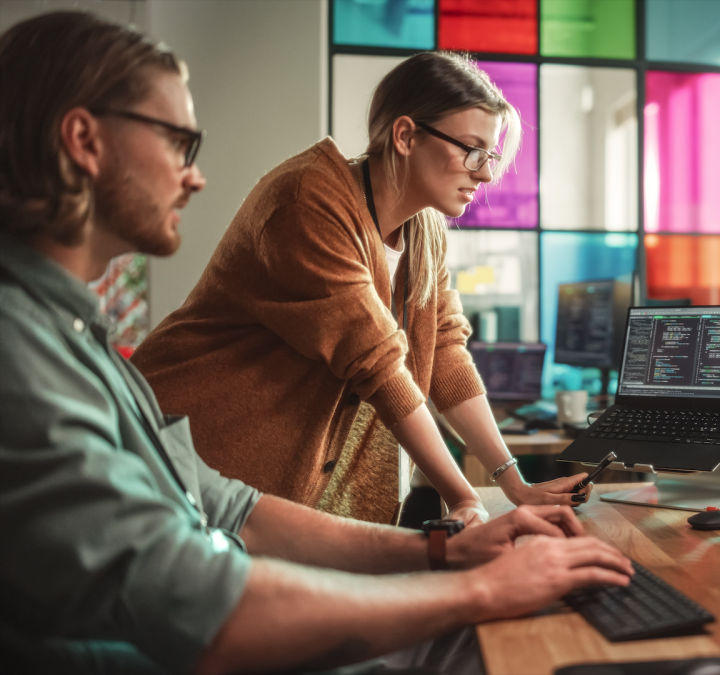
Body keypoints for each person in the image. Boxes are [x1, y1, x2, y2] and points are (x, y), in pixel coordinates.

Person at [0, 12, 631, 674]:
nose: (196, 177)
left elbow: (228, 506)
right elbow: (378, 365)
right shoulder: (27, 353)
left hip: (231, 541)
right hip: (219, 537)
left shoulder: (75, 337)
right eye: (179, 143)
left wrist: (457, 542)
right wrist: (475, 561)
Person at [130, 51, 583, 526]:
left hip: (283, 499)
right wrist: (463, 496)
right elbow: (378, 363)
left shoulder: (424, 230)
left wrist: (513, 483)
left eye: (490, 156)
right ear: (405, 136)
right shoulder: (308, 202)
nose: (486, 174)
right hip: (187, 459)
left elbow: (445, 349)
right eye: (472, 151)